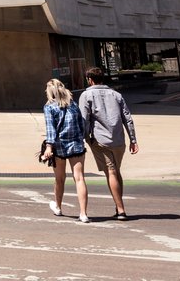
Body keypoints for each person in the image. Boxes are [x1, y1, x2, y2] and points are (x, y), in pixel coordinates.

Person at [79, 66, 139, 221]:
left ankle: (120, 209)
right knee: (116, 171)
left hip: (100, 140)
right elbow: (128, 118)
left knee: (111, 172)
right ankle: (118, 205)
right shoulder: (116, 95)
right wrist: (133, 139)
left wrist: (84, 138)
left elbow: (84, 120)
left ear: (90, 79)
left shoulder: (86, 95)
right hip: (119, 140)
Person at [40, 78, 90, 222]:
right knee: (79, 178)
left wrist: (49, 146)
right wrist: (82, 138)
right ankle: (83, 213)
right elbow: (82, 124)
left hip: (59, 145)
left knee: (60, 178)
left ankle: (58, 207)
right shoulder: (73, 104)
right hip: (76, 144)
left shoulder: (49, 106)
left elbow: (51, 128)